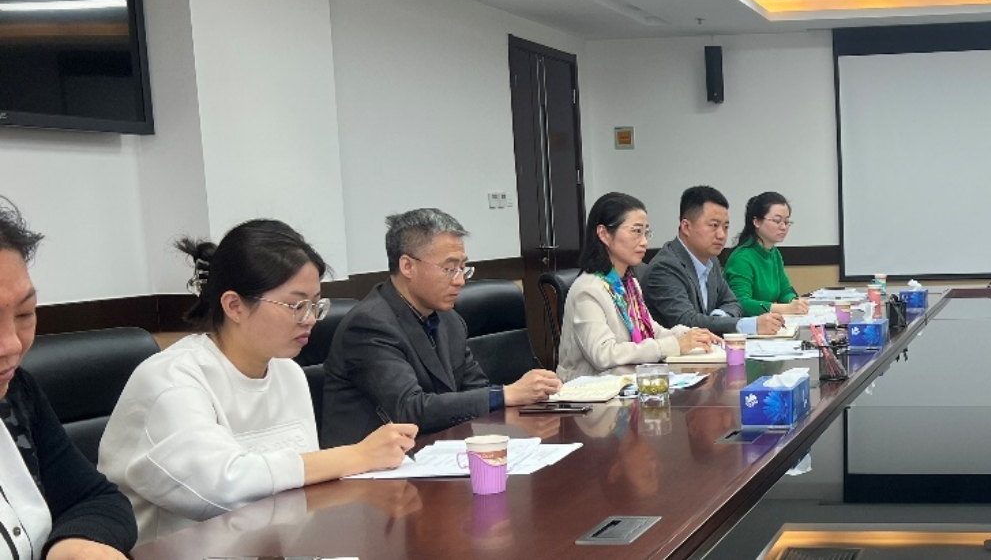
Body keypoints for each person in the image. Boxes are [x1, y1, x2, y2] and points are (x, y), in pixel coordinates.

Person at [98, 220, 415, 540]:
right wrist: (357, 456)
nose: (310, 319)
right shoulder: (171, 381)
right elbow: (222, 489)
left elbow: (299, 491)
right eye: (296, 305)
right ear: (234, 306)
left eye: (315, 305)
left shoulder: (288, 373)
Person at [320, 209, 561, 447]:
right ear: (407, 266)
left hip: (440, 448)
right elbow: (410, 410)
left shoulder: (450, 320)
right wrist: (505, 394)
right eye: (450, 269)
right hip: (374, 464)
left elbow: (476, 390)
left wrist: (517, 397)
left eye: (463, 268)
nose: (460, 280)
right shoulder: (369, 325)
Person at [0, 200, 136, 560]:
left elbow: (95, 499)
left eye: (25, 314)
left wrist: (75, 547)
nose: (12, 345)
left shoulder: (16, 395)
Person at [556, 193, 717, 379]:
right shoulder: (588, 289)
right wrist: (673, 345)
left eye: (646, 233)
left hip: (627, 383)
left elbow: (651, 331)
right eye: (636, 231)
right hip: (591, 391)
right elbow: (603, 354)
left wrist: (688, 334)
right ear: (604, 234)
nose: (644, 242)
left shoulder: (629, 283)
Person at [640, 187, 782, 336]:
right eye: (714, 225)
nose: (721, 235)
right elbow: (686, 321)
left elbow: (733, 303)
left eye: (725, 227)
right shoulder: (665, 267)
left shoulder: (711, 261)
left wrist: (718, 318)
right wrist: (748, 325)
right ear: (686, 227)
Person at [724, 192, 811, 317]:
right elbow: (741, 304)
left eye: (787, 222)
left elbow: (785, 291)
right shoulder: (742, 258)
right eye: (777, 221)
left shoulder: (774, 253)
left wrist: (794, 302)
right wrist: (785, 308)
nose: (783, 227)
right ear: (757, 222)